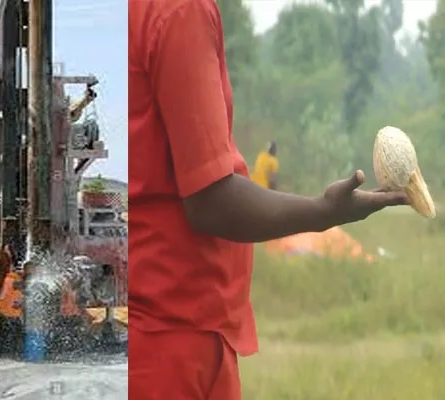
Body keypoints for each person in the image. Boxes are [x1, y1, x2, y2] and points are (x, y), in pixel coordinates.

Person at [127, 0, 408, 399]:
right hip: (173, 338)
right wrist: (324, 211)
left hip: (151, 330)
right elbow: (210, 199)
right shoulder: (178, 9)